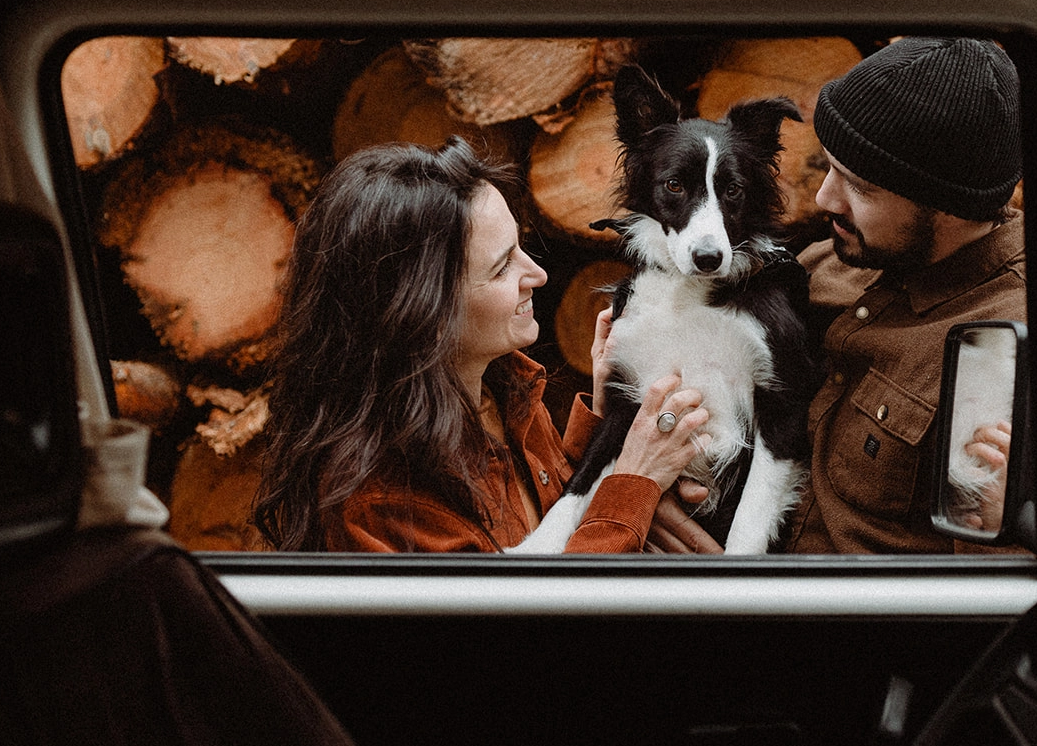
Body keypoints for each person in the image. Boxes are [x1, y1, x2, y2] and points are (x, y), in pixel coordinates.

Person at [252, 137, 713, 554]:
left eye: (520, 247)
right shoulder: (381, 500)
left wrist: (610, 413)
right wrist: (633, 482)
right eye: (500, 268)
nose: (537, 275)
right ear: (422, 312)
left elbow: (548, 533)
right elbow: (515, 632)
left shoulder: (505, 391)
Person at [780, 36, 1037, 555]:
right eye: (829, 168)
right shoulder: (830, 265)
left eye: (861, 186)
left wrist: (1005, 534)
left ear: (950, 207)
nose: (824, 197)